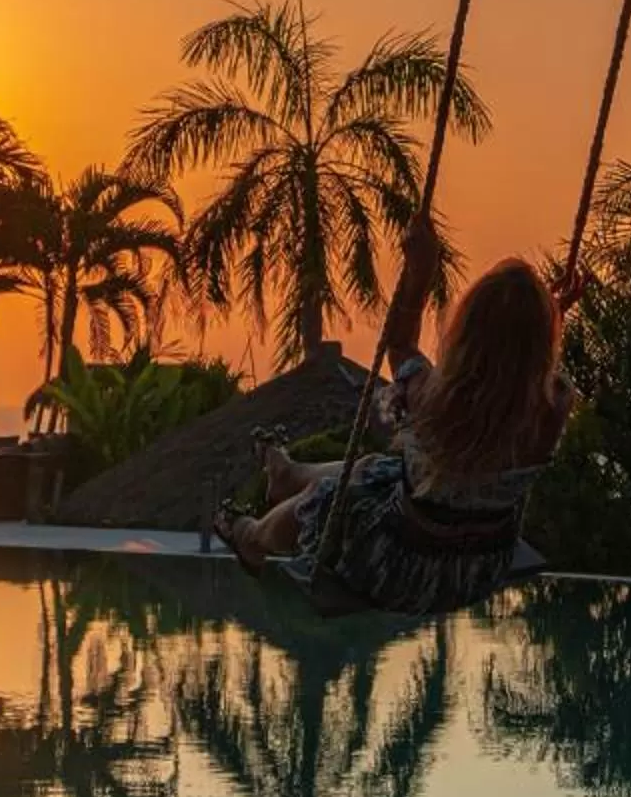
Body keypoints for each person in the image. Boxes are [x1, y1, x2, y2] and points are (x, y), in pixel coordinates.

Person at [218, 214, 573, 616]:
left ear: (466, 333)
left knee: (329, 500)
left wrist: (419, 271)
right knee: (377, 471)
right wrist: (546, 318)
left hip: (396, 569)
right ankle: (289, 475)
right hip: (474, 572)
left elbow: (401, 343)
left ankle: (253, 537)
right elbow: (519, 375)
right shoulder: (552, 408)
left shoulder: (433, 399)